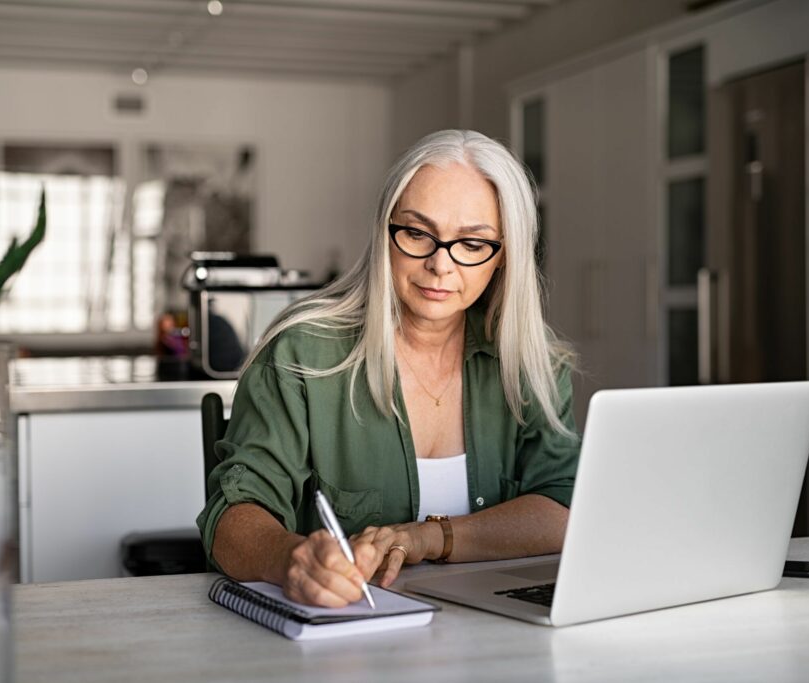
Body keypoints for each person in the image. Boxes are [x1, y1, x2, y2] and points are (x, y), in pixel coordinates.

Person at [197, 129, 579, 608]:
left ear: (504, 257)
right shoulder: (301, 352)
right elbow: (232, 515)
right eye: (418, 233)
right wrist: (289, 558)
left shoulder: (531, 361)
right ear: (385, 232)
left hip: (499, 631)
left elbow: (563, 508)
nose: (441, 265)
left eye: (472, 243)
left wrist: (427, 537)